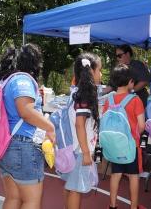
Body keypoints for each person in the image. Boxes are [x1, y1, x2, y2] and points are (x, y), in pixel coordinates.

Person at [0, 44, 55, 209]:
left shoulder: (6, 81)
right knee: (31, 201)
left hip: (6, 144)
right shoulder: (23, 79)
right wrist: (50, 127)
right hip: (23, 145)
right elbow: (25, 111)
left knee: (13, 198)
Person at [61, 52, 101, 209]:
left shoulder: (75, 93)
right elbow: (80, 124)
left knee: (70, 186)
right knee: (76, 189)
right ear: (91, 72)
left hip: (73, 147)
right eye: (99, 70)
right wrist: (85, 152)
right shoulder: (84, 96)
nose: (100, 74)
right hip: (79, 150)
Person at [103, 64, 146, 209]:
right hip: (130, 146)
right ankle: (133, 207)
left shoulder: (109, 100)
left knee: (116, 174)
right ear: (130, 82)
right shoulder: (135, 100)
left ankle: (112, 205)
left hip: (114, 145)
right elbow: (141, 126)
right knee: (133, 176)